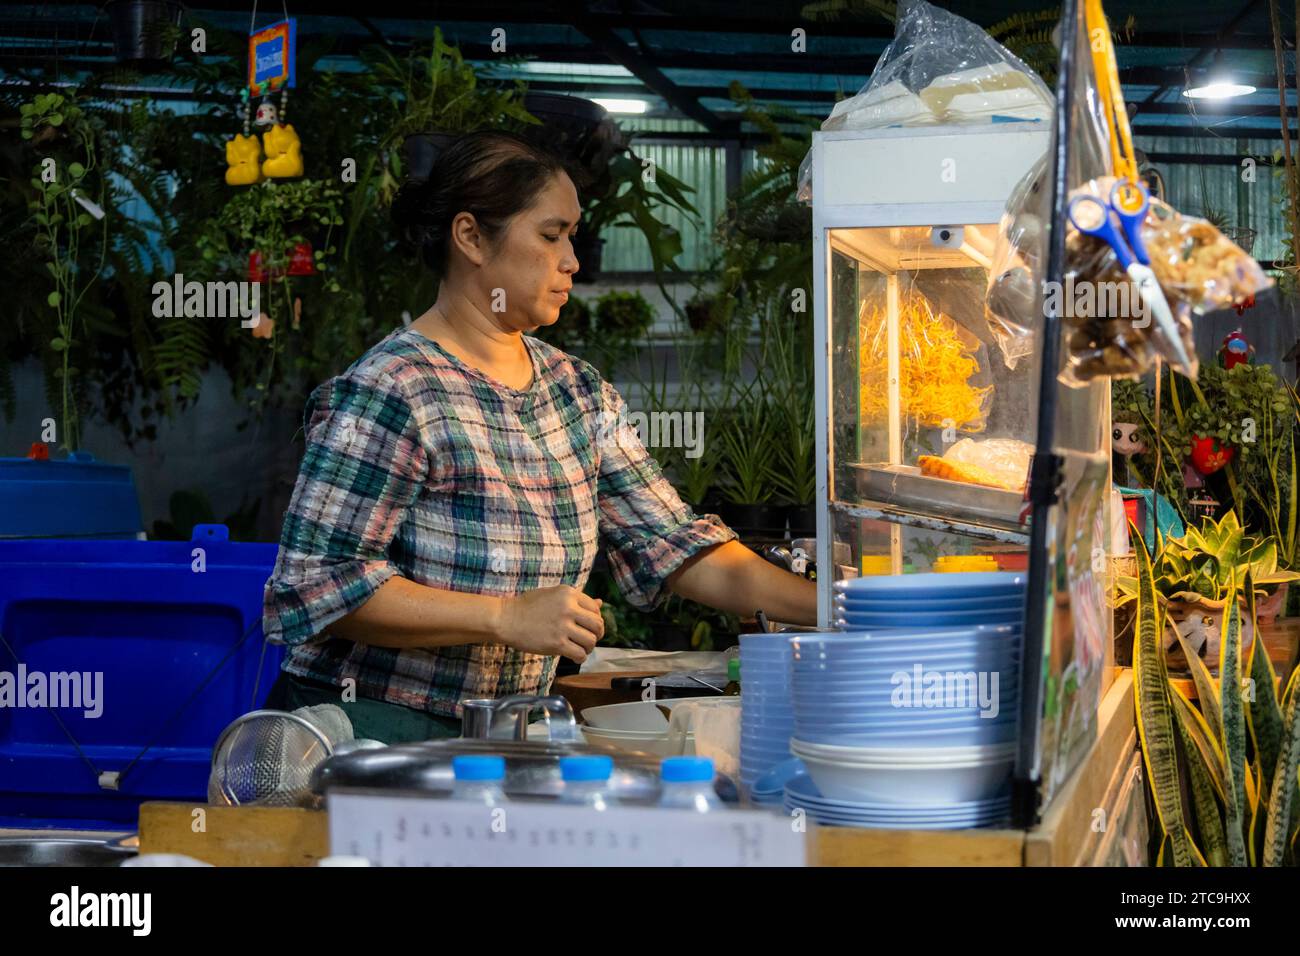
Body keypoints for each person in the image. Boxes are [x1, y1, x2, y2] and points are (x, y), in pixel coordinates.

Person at [261, 129, 816, 743]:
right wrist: (502, 617)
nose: (572, 259)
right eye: (551, 235)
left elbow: (677, 547)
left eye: (571, 236)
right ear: (471, 237)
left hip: (495, 737)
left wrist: (847, 609)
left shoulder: (575, 390)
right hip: (368, 735)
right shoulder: (393, 390)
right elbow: (313, 587)